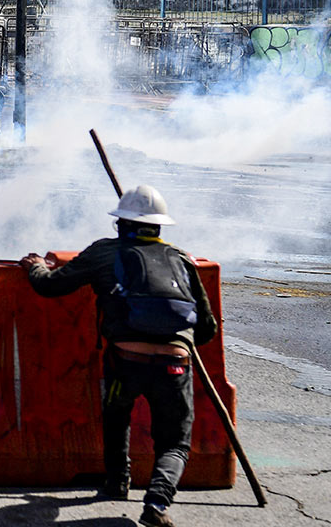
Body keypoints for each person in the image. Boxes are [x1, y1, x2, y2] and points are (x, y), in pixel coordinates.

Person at [19, 185, 218, 527]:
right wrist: (179, 342)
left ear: (120, 223)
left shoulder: (103, 252)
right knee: (174, 443)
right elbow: (207, 327)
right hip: (176, 363)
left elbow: (51, 285)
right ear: (159, 226)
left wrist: (35, 267)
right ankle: (157, 500)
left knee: (116, 415)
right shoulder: (182, 259)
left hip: (126, 360)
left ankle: (117, 481)